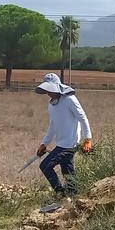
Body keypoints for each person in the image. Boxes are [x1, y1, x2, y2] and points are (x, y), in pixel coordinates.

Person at [34, 73, 92, 209]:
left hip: (70, 144)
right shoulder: (51, 105)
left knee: (45, 166)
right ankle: (75, 200)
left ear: (58, 87)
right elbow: (52, 126)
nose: (48, 93)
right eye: (47, 90)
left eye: (50, 89)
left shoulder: (70, 99)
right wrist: (44, 143)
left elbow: (83, 118)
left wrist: (88, 139)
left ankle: (61, 196)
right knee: (69, 174)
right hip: (61, 143)